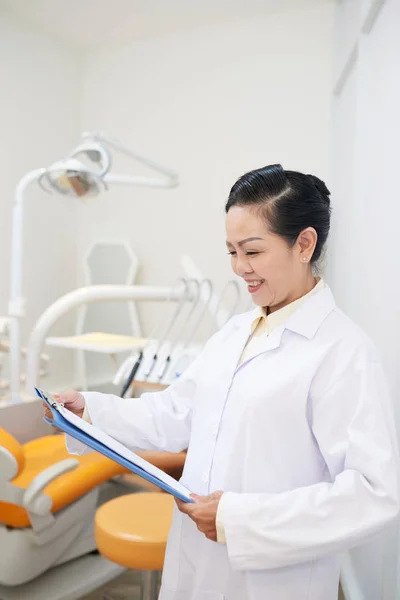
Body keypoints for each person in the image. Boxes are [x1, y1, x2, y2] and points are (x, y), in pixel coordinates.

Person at [44, 164, 399, 600]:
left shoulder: (342, 351)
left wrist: (239, 519)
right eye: (231, 251)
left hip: (273, 579)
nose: (239, 268)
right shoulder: (235, 332)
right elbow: (174, 413)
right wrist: (91, 410)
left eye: (252, 251)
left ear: (304, 244)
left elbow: (373, 493)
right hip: (195, 558)